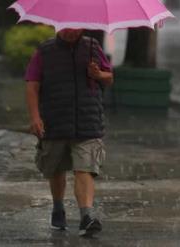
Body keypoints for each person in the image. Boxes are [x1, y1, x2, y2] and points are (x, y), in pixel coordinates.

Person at [25, 28, 113, 237]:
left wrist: (99, 74)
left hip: (87, 120)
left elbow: (109, 78)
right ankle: (58, 207)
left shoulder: (93, 47)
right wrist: (35, 117)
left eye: (76, 28)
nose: (71, 32)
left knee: (85, 168)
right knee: (56, 169)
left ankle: (86, 216)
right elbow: (32, 86)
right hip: (55, 120)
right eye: (67, 28)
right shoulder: (44, 51)